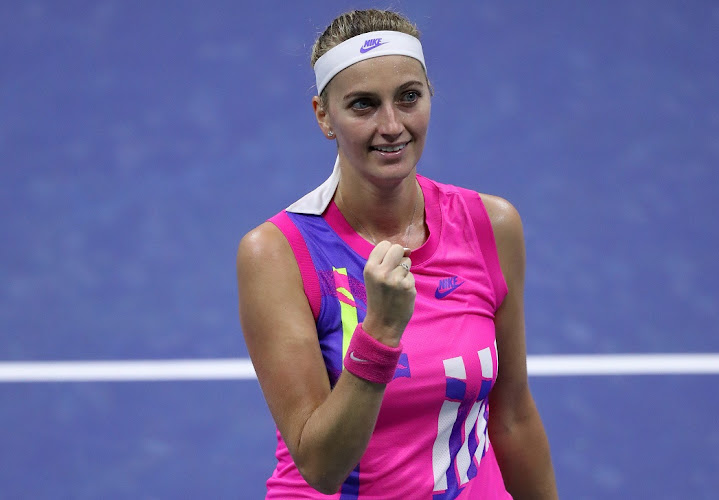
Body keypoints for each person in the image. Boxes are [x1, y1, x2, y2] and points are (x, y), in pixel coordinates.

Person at [237, 9, 558, 499]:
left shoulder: (491, 226)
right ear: (324, 116)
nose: (392, 126)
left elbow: (512, 416)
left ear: (430, 95)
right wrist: (381, 332)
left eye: (408, 97)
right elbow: (321, 467)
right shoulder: (277, 254)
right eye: (363, 105)